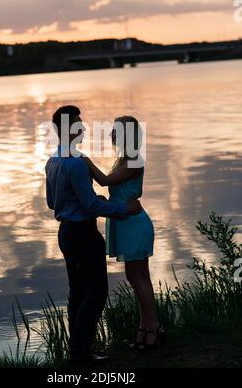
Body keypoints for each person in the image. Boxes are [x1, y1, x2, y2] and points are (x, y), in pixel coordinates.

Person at [45, 106, 142, 365]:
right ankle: (80, 353)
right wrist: (123, 209)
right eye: (78, 124)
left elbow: (52, 203)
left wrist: (85, 202)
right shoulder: (76, 164)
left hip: (65, 234)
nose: (84, 128)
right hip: (83, 235)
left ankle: (77, 351)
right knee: (96, 292)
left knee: (77, 291)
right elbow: (91, 207)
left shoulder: (53, 161)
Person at [84, 115, 165, 350]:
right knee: (137, 278)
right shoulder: (123, 159)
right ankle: (144, 329)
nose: (111, 134)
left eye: (115, 131)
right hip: (125, 221)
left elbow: (103, 180)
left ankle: (154, 328)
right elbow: (114, 188)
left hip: (134, 224)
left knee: (138, 278)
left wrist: (83, 159)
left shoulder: (134, 161)